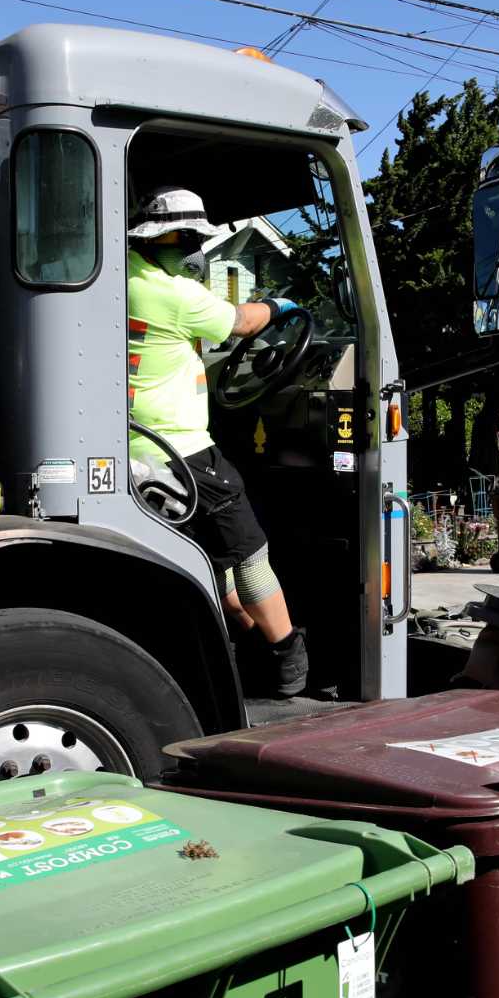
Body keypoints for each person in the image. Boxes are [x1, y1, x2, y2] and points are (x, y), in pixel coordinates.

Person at [126, 185, 309, 697]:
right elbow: (242, 322)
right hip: (186, 454)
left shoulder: (121, 276)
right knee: (250, 555)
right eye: (191, 239)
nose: (195, 251)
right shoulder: (176, 294)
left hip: (138, 452)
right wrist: (280, 303)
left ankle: (243, 650)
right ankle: (287, 659)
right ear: (177, 237)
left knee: (212, 558)